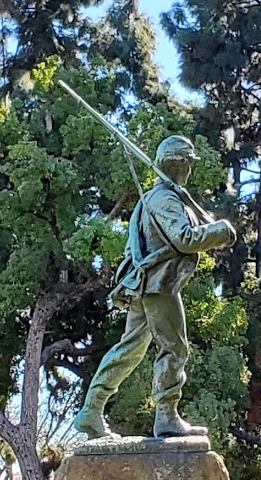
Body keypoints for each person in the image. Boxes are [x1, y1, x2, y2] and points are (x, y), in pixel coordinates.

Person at [74, 135, 236, 440]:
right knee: (174, 348)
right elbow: (183, 239)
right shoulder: (163, 199)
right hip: (157, 285)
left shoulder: (163, 197)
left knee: (130, 350)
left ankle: (91, 410)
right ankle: (166, 416)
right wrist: (220, 232)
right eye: (188, 164)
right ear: (180, 165)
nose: (190, 170)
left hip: (149, 283)